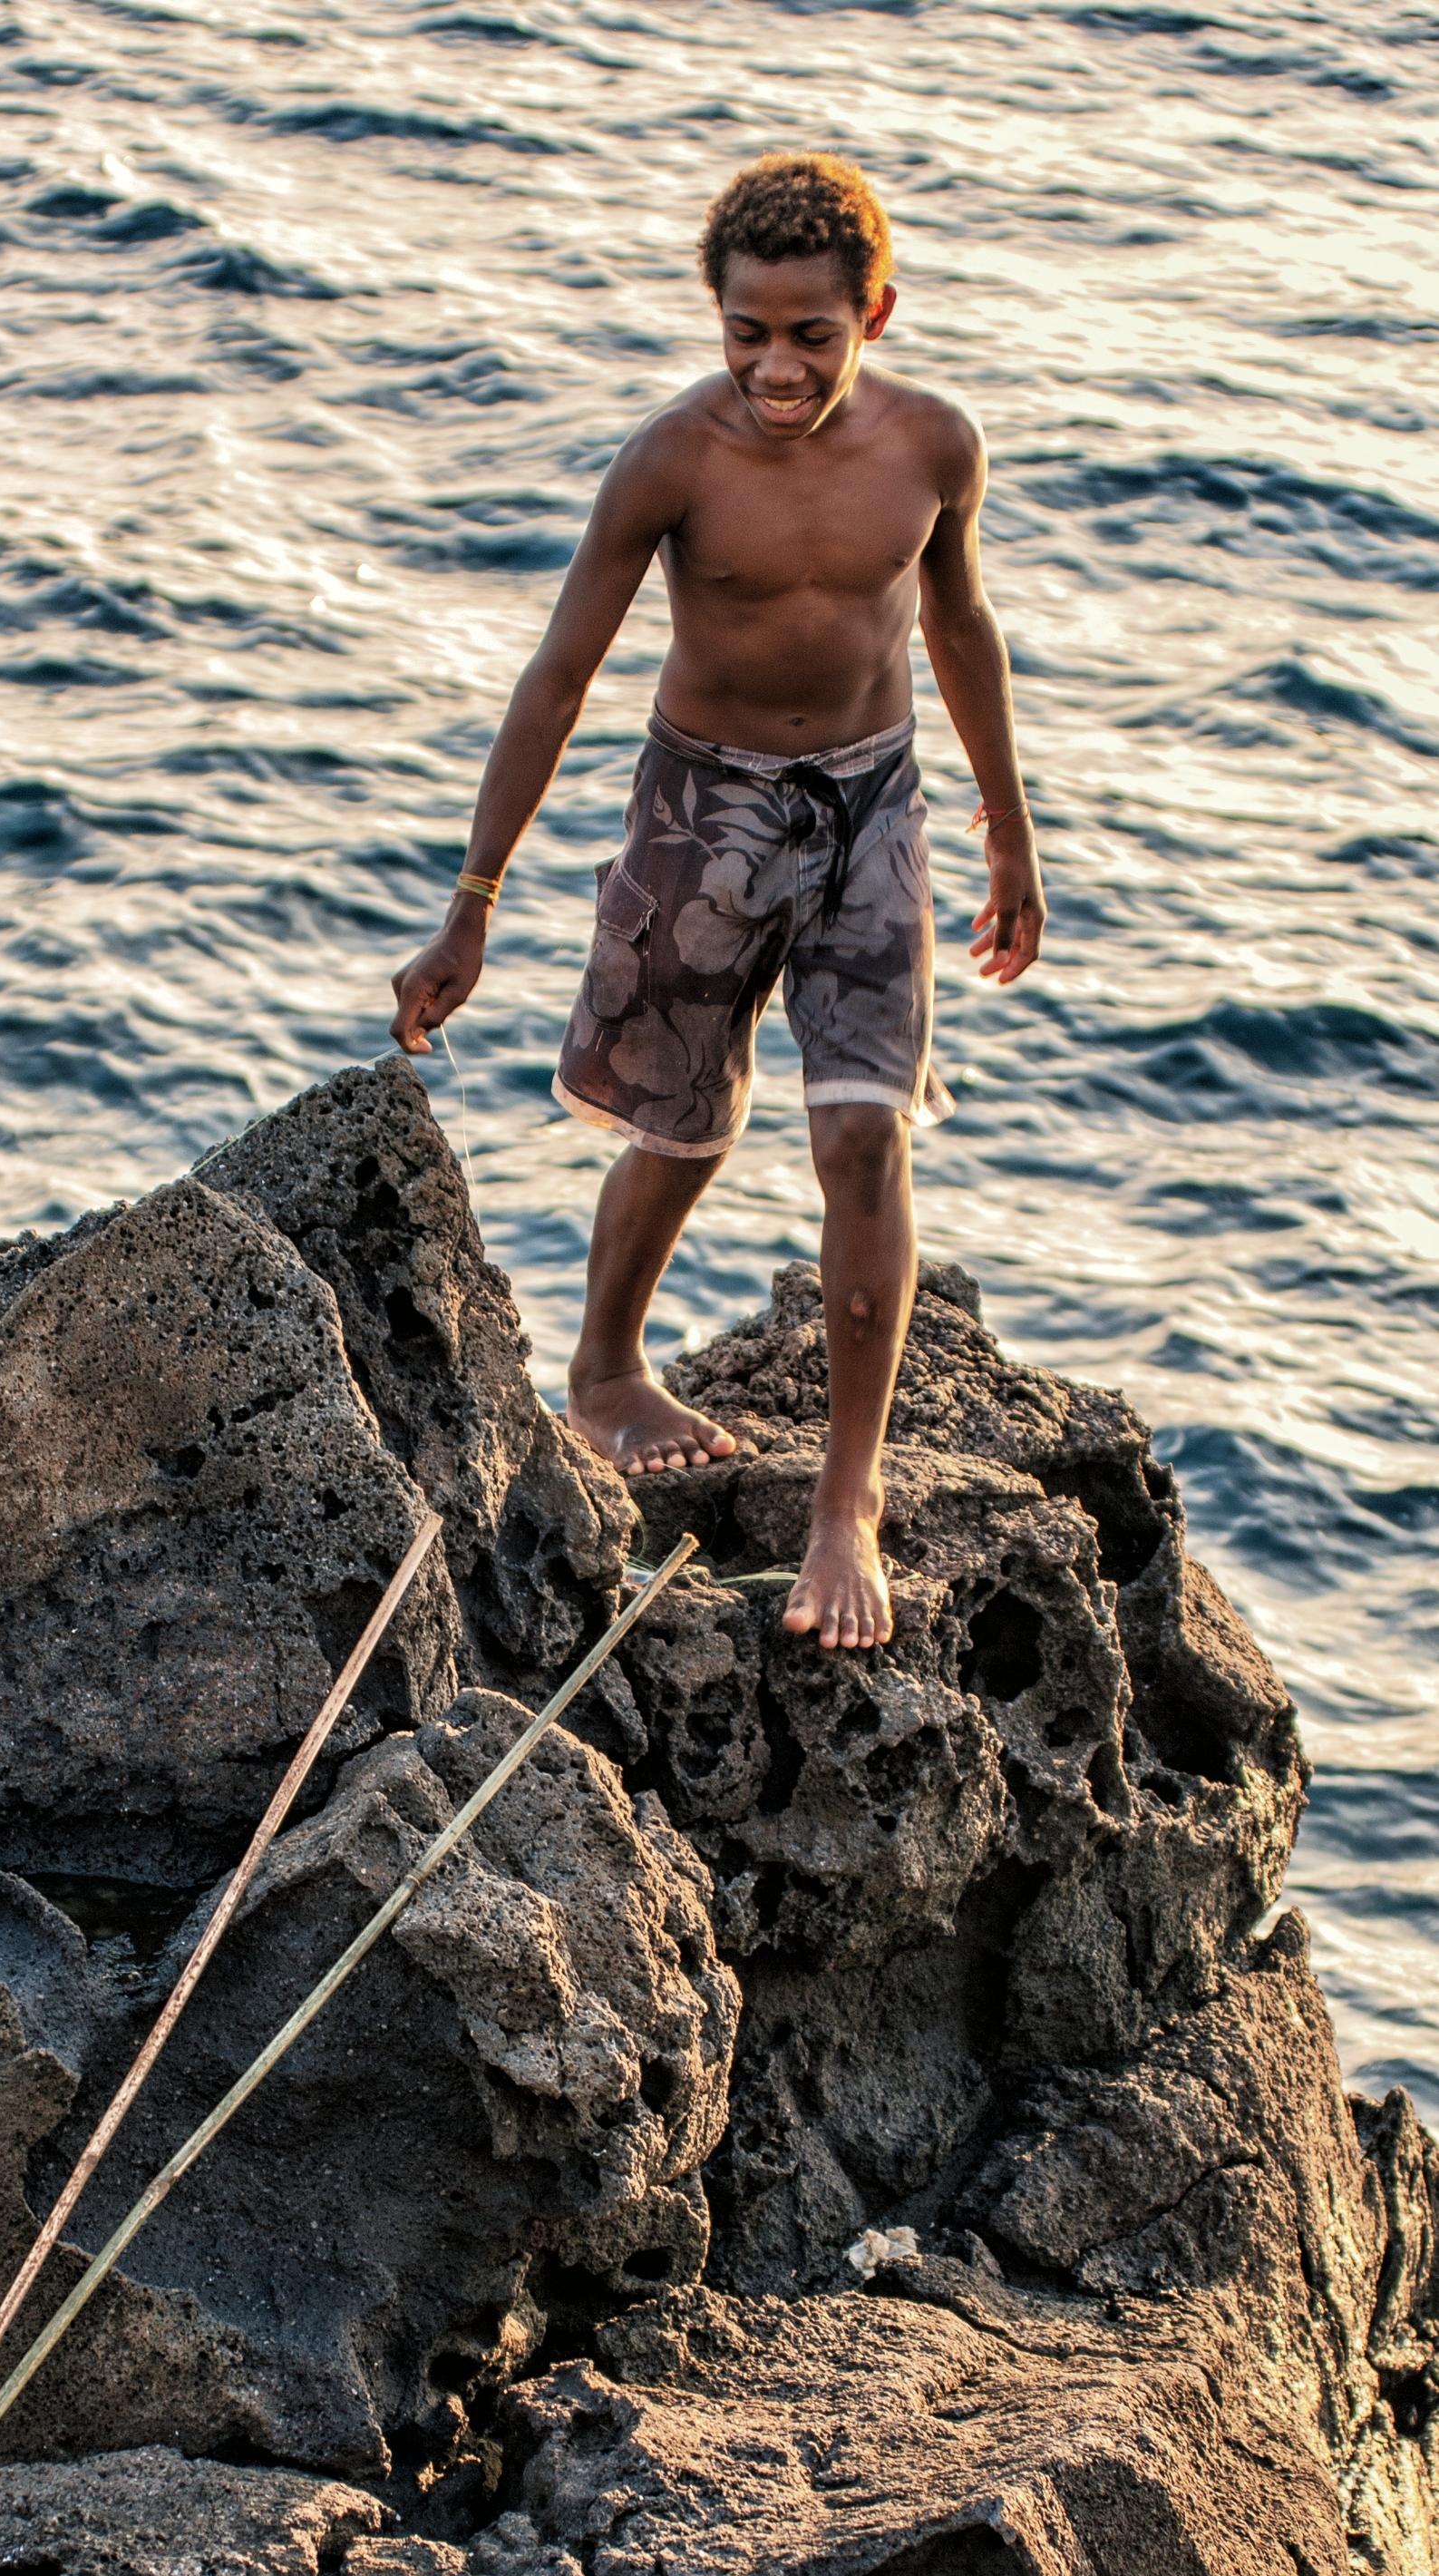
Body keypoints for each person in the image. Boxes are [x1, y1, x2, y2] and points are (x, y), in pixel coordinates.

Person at [388, 149, 1045, 1654]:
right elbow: (559, 672)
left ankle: (845, 1506)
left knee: (864, 1131)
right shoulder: (672, 462)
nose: (775, 366)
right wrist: (471, 904)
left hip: (874, 805)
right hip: (703, 804)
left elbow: (961, 629)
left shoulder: (935, 448)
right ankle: (606, 1368)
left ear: (874, 311)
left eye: (810, 333)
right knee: (680, 1122)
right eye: (746, 331)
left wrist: (1011, 836)